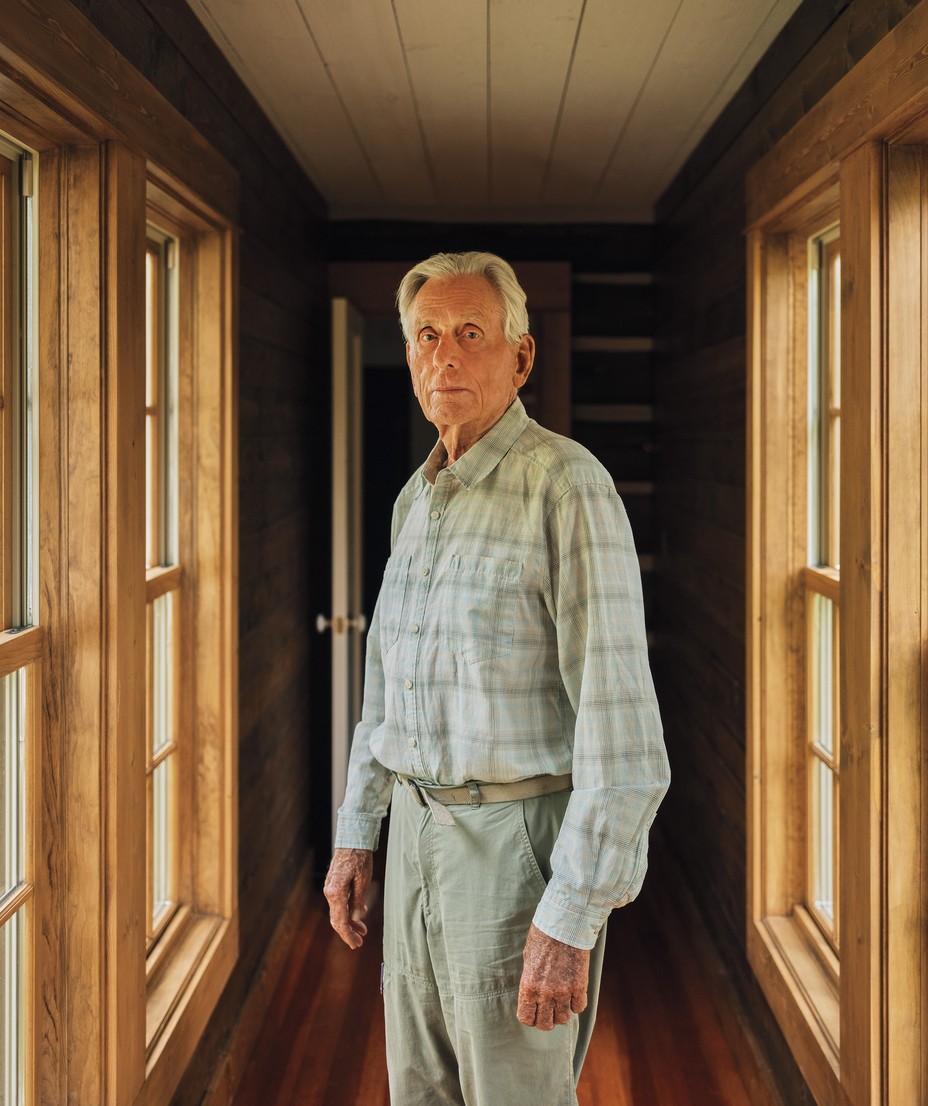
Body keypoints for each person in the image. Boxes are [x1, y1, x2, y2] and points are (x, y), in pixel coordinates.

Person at [324, 251, 669, 1105]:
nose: (444, 356)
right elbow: (385, 688)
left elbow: (623, 740)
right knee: (421, 1091)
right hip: (414, 831)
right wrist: (357, 831)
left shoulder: (568, 485)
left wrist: (570, 918)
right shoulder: (416, 500)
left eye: (470, 335)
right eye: (427, 335)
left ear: (520, 357)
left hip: (516, 848)